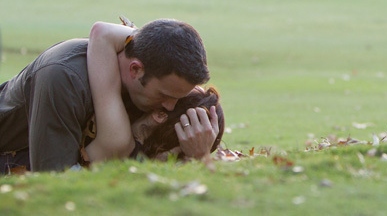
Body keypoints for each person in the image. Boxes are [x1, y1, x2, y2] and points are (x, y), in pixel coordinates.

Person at [0, 18, 212, 174]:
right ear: (135, 70)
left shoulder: (143, 69)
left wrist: (200, 157)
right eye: (164, 95)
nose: (169, 106)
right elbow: (54, 182)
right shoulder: (63, 77)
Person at [82, 21, 223, 165]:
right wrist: (200, 159)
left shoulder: (133, 102)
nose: (170, 107)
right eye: (166, 95)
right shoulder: (118, 139)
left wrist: (148, 41)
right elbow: (101, 31)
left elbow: (103, 32)